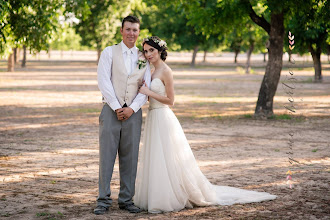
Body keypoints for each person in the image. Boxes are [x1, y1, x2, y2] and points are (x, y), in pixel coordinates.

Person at [134, 36, 277, 213]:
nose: (148, 54)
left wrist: (148, 92)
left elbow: (171, 101)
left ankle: (171, 196)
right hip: (152, 118)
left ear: (160, 51)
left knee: (168, 158)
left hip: (163, 117)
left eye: (151, 50)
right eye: (145, 51)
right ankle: (156, 194)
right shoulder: (150, 71)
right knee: (156, 158)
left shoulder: (166, 71)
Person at [94, 15, 151, 215]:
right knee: (106, 158)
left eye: (135, 30)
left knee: (130, 158)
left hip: (133, 114)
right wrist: (118, 107)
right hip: (110, 111)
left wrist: (131, 109)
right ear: (121, 31)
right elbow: (104, 82)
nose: (131, 33)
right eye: (128, 29)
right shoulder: (109, 52)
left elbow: (146, 86)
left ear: (138, 32)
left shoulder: (144, 58)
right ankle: (103, 200)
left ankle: (127, 200)